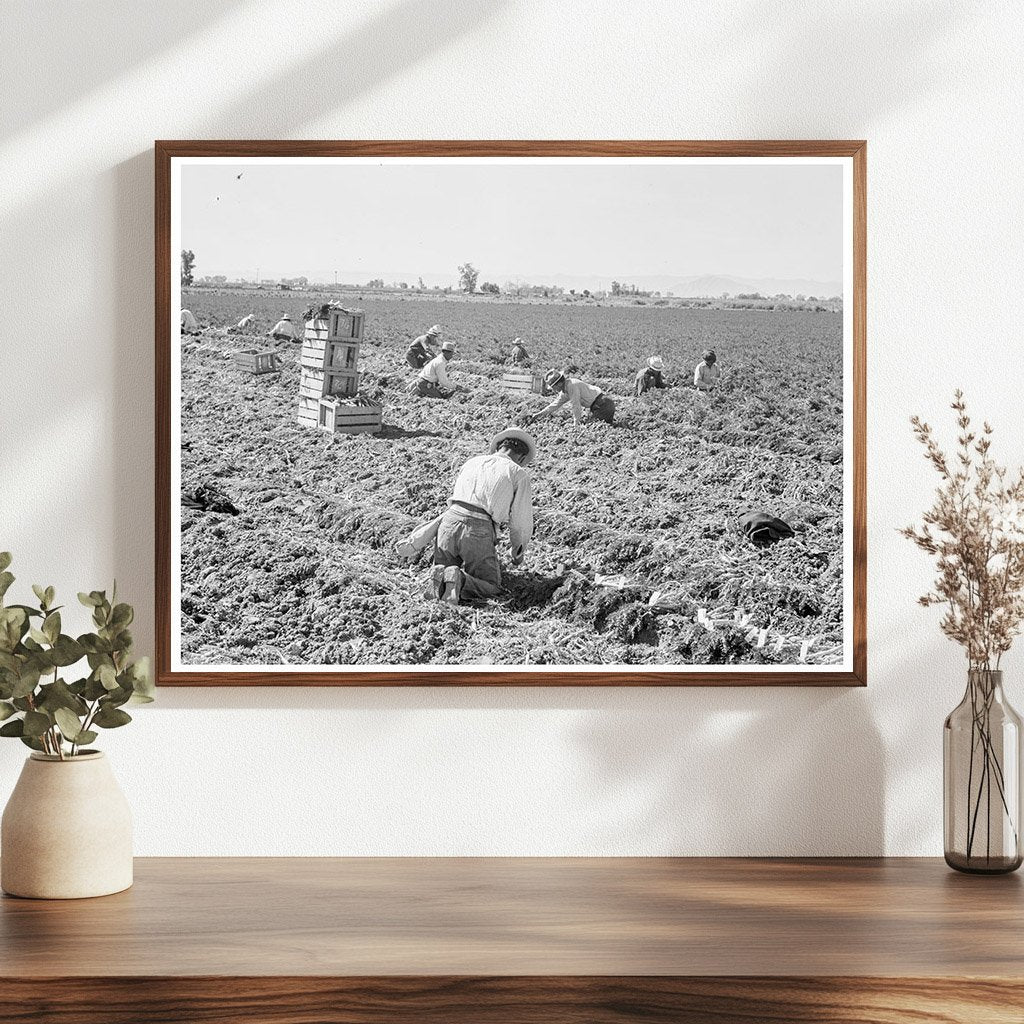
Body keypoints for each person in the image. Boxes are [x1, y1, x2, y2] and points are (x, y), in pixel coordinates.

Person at [427, 429, 536, 603]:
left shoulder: (472, 462)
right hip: (478, 528)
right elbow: (520, 523)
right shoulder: (518, 473)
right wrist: (518, 551)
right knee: (491, 587)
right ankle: (460, 579)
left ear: (497, 448)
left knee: (443, 571)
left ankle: (440, 578)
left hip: (448, 521)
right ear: (522, 458)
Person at [528, 369, 615, 425]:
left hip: (603, 404)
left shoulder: (572, 385)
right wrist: (538, 414)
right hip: (598, 405)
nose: (553, 390)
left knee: (594, 426)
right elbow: (555, 405)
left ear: (559, 383)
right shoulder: (565, 391)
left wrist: (576, 423)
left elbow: (576, 405)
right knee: (599, 425)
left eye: (554, 387)